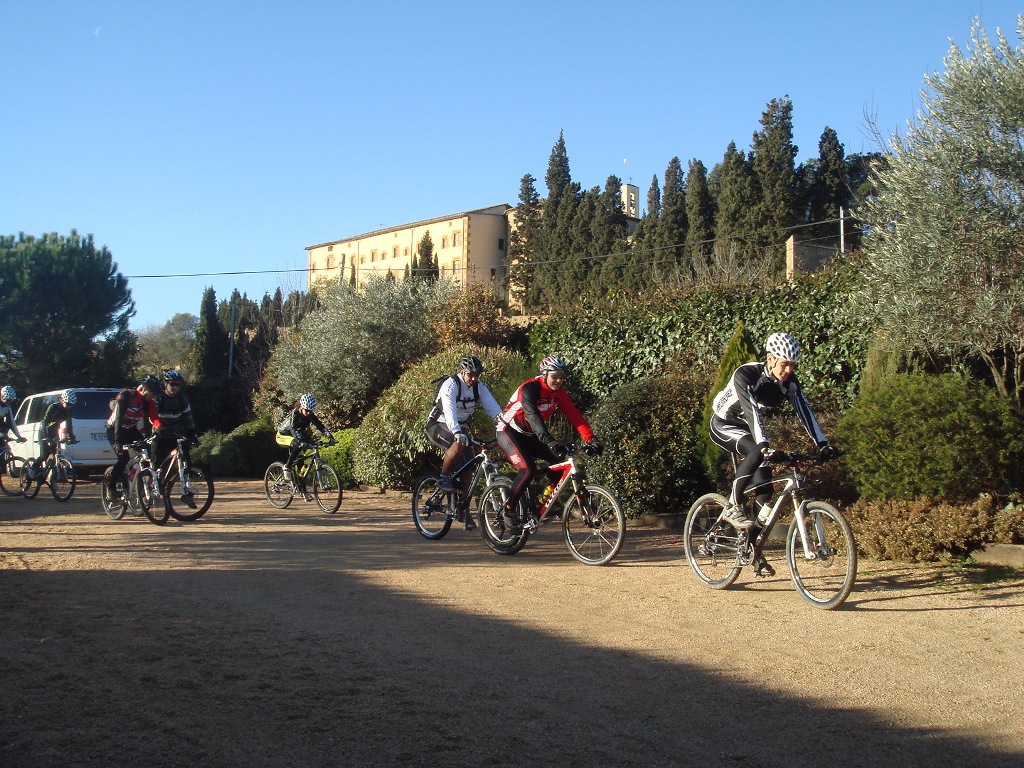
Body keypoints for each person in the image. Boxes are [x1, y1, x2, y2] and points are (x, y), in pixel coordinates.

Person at [709, 332, 834, 577]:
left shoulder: (789, 383)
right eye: (784, 364)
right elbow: (752, 410)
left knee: (766, 494)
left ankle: (752, 551)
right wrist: (765, 445)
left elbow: (805, 411)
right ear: (770, 358)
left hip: (749, 430)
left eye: (792, 365)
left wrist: (823, 444)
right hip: (724, 424)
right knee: (756, 452)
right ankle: (733, 505)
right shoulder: (746, 374)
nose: (788, 370)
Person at [495, 355, 601, 534]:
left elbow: (574, 415)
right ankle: (509, 510)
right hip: (508, 430)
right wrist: (550, 441)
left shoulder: (559, 393)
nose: (559, 380)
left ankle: (545, 503)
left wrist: (591, 439)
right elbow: (533, 417)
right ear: (544, 375)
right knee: (527, 469)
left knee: (560, 466)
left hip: (530, 434)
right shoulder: (529, 389)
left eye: (561, 376)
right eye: (554, 376)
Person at [425, 355, 503, 530]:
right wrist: (457, 432)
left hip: (459, 427)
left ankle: (463, 509)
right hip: (439, 424)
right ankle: (443, 478)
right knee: (459, 443)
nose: (474, 378)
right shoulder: (450, 385)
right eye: (471, 375)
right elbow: (449, 411)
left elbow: (494, 409)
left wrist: (505, 425)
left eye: (477, 375)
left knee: (469, 466)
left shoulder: (479, 387)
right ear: (462, 372)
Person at [106, 376, 161, 498]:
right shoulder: (127, 396)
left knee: (147, 452)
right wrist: (117, 443)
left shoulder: (148, 403)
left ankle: (137, 481)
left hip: (130, 429)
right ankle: (111, 486)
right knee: (123, 458)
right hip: (115, 429)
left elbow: (155, 418)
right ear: (145, 389)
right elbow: (119, 420)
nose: (154, 397)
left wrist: (159, 428)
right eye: (153, 393)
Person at [276, 393, 335, 501]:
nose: (309, 413)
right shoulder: (295, 414)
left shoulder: (310, 415)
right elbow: (293, 429)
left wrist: (329, 436)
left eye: (311, 411)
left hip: (296, 437)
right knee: (298, 444)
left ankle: (303, 490)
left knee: (302, 467)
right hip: (283, 435)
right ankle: (287, 467)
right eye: (307, 410)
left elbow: (320, 425)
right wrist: (301, 441)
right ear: (302, 407)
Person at [153, 369, 200, 501]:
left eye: (177, 384)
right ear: (165, 384)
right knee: (156, 463)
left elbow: (188, 419)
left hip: (176, 434)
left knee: (186, 461)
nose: (175, 387)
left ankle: (187, 491)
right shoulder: (159, 399)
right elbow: (153, 417)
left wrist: (192, 435)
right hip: (161, 435)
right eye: (172, 384)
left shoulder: (182, 400)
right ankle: (150, 487)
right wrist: (160, 428)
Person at [31, 389, 78, 478]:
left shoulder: (68, 410)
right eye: (68, 404)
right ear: (62, 400)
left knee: (54, 454)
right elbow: (45, 422)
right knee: (44, 455)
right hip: (44, 431)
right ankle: (33, 468)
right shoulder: (53, 407)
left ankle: (49, 476)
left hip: (54, 432)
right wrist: (46, 436)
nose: (69, 407)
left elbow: (69, 425)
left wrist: (72, 437)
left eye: (72, 405)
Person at [1, 386, 27, 469]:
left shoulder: (8, 408)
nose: (9, 403)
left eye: (11, 401)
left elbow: (12, 423)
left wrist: (19, 436)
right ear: (2, 397)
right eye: (8, 400)